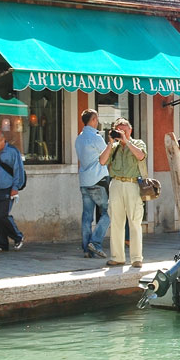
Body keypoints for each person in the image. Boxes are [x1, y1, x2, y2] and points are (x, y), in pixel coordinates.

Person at [99, 118, 147, 268]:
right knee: (116, 222)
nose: (122, 133)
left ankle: (137, 258)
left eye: (124, 130)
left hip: (132, 184)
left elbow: (140, 156)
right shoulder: (114, 146)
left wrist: (127, 141)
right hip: (116, 184)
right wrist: (110, 143)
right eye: (119, 130)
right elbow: (102, 161)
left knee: (135, 221)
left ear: (130, 130)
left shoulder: (138, 143)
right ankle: (117, 257)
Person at [75, 109, 110, 259]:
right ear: (94, 119)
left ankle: (86, 249)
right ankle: (95, 243)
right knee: (109, 213)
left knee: (87, 216)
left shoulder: (79, 138)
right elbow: (104, 158)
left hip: (84, 181)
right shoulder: (96, 138)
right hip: (98, 179)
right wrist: (111, 144)